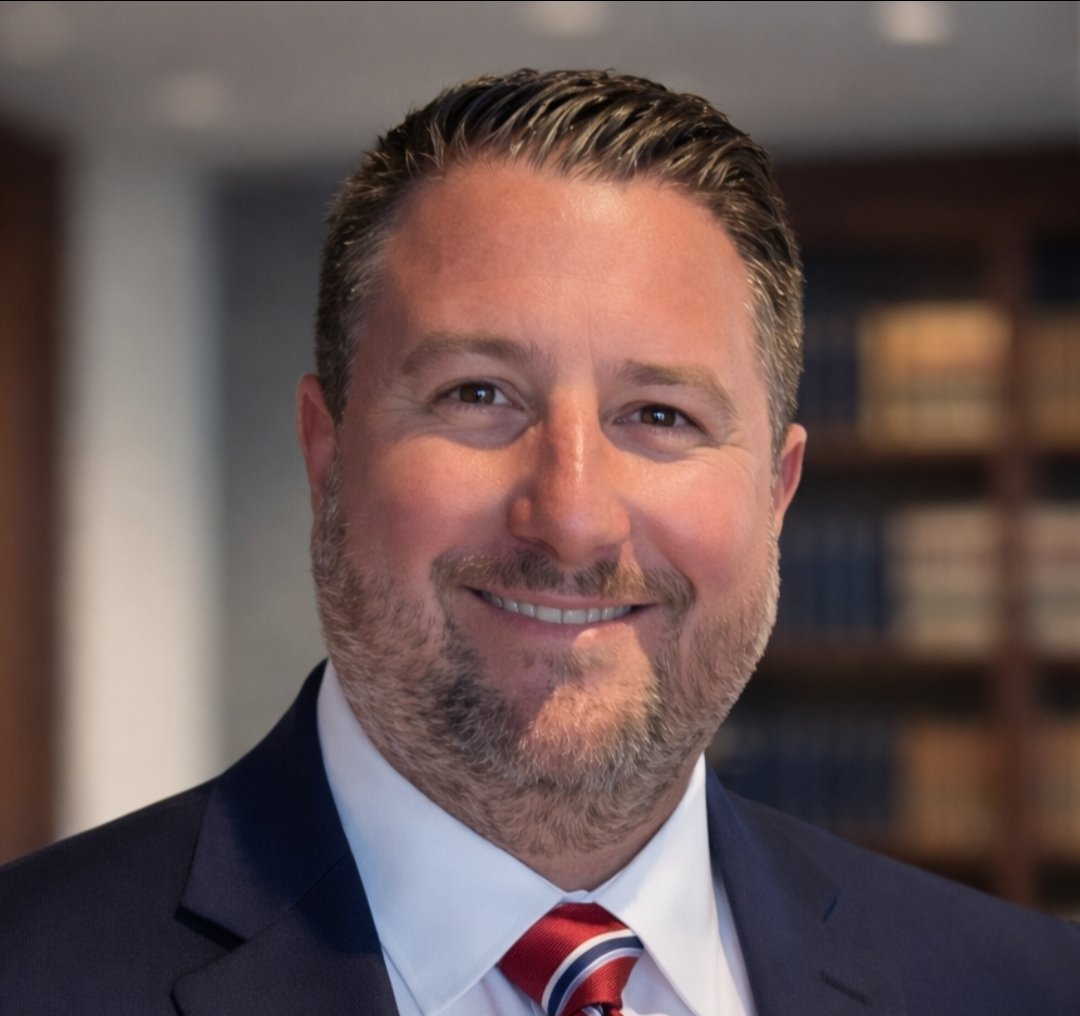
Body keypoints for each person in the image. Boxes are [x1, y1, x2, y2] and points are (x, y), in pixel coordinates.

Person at [1, 68, 1077, 1016]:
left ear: (778, 488)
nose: (570, 515)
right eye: (478, 395)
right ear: (325, 453)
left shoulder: (1022, 985)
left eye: (660, 414)